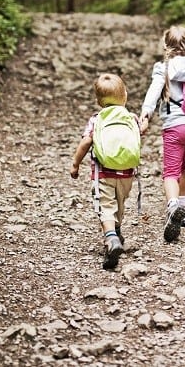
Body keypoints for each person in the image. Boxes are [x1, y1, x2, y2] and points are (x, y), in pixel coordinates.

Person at [140, 25, 185, 243]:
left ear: (166, 45)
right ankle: (183, 211)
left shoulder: (163, 68)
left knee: (170, 173)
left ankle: (172, 209)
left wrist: (145, 114)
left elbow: (154, 90)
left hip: (175, 127)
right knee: (181, 168)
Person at [70, 73, 140, 270]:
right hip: (126, 173)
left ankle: (111, 239)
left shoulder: (96, 119)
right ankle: (117, 232)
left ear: (98, 101)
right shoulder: (131, 118)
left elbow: (86, 142)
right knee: (119, 203)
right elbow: (139, 132)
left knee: (105, 206)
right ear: (125, 97)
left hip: (103, 174)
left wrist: (75, 163)